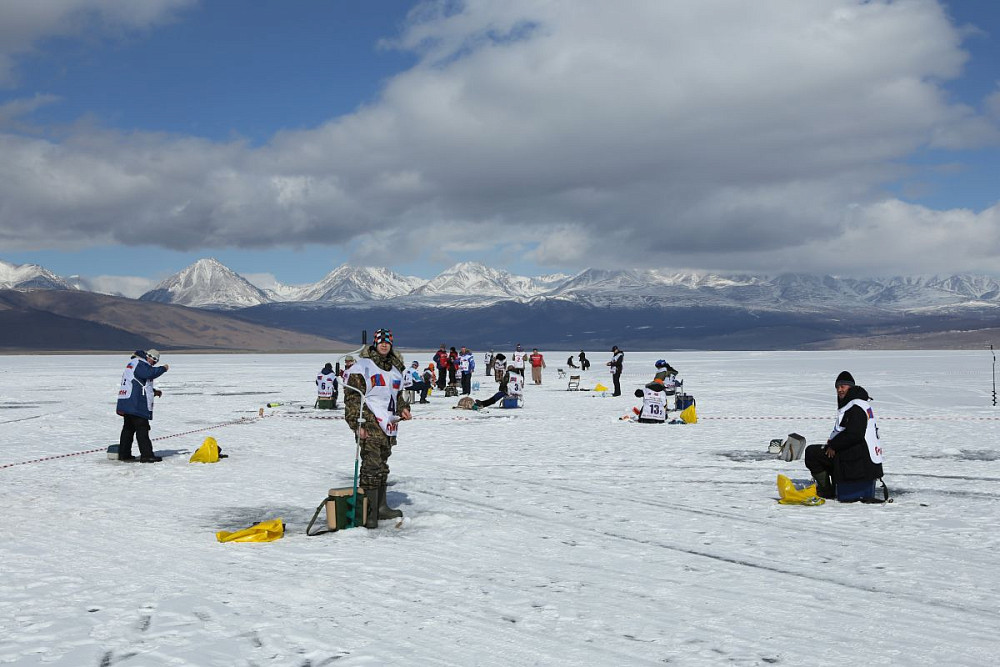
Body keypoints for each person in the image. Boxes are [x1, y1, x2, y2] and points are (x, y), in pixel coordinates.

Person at [344, 328, 412, 528]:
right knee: (371, 468)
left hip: (388, 426)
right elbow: (352, 398)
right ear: (374, 343)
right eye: (381, 341)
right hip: (370, 423)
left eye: (387, 342)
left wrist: (404, 409)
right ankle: (369, 513)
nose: (384, 345)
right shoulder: (362, 367)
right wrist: (357, 423)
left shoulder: (395, 369)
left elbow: (397, 396)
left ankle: (381, 508)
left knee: (382, 467)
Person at [804, 371, 884, 500]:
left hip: (859, 461)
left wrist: (834, 446)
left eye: (843, 386)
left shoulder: (856, 407)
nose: (840, 390)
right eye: (837, 387)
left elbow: (854, 434)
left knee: (812, 453)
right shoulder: (859, 404)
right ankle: (834, 484)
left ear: (851, 387)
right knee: (822, 452)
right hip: (862, 457)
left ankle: (826, 490)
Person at [116, 349, 169, 462]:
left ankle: (124, 454)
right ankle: (147, 455)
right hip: (136, 403)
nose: (154, 364)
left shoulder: (134, 363)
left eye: (156, 362)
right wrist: (163, 368)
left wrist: (153, 391)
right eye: (154, 361)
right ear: (149, 356)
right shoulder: (140, 363)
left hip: (127, 401)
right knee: (142, 428)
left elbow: (138, 382)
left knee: (128, 429)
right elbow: (149, 373)